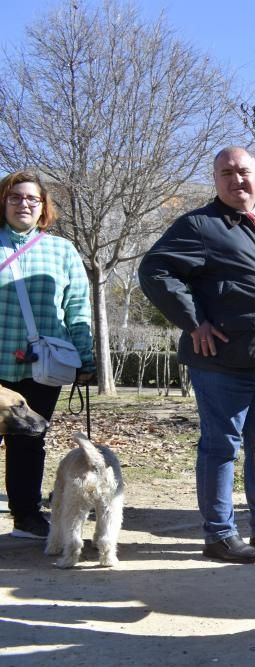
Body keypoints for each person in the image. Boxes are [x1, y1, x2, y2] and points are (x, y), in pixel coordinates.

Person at [139, 147, 255, 564]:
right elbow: (155, 270)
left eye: (243, 171)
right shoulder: (199, 225)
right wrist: (194, 321)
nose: (236, 180)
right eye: (226, 173)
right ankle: (219, 535)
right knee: (221, 446)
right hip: (219, 359)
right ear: (215, 180)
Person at [0, 171, 95, 540]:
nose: (23, 203)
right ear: (3, 201)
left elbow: (77, 308)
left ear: (43, 207)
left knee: (29, 440)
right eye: (15, 197)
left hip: (42, 366)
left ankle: (26, 515)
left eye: (31, 199)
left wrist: (86, 359)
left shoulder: (62, 250)